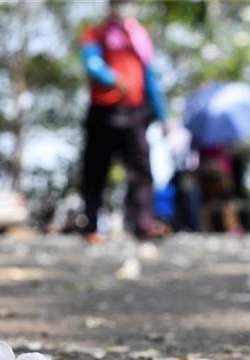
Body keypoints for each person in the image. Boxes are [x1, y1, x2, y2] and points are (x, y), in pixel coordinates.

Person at [79, 0, 168, 243]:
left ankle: (142, 223)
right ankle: (91, 225)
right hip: (103, 111)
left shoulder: (140, 37)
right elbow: (90, 63)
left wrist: (163, 114)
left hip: (134, 112)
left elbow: (150, 78)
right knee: (95, 170)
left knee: (141, 169)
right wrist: (110, 78)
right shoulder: (95, 33)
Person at [197, 144, 243, 234]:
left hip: (208, 171)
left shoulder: (203, 141)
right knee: (225, 201)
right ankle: (231, 226)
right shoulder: (221, 141)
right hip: (220, 172)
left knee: (209, 201)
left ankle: (207, 227)